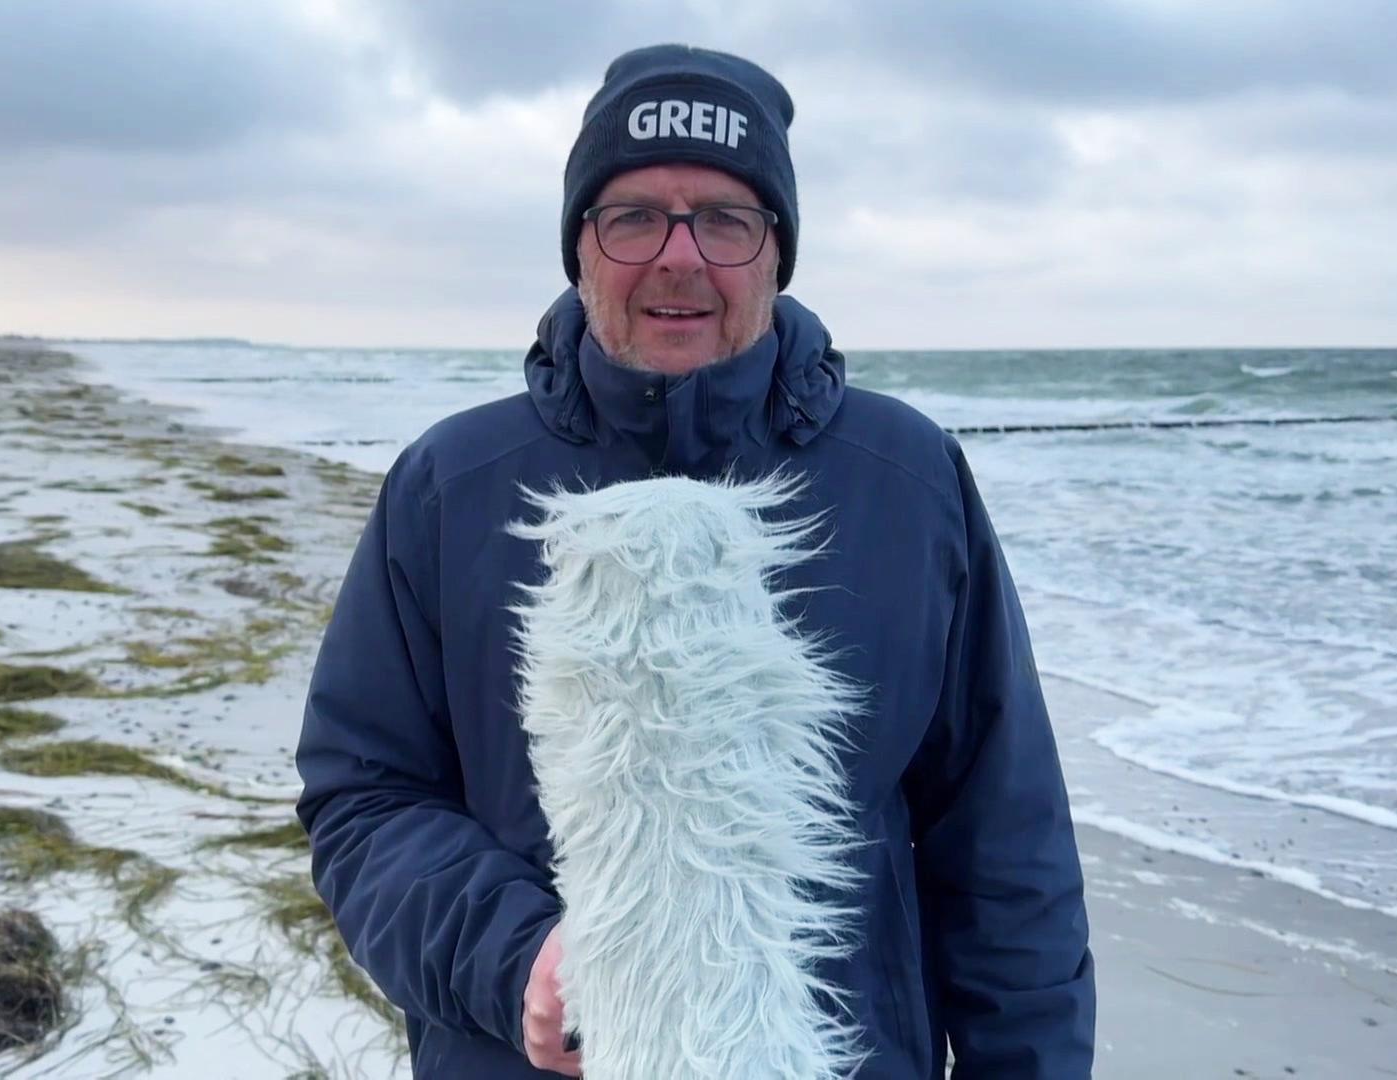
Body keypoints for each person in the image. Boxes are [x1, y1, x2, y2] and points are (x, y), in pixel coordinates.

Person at [296, 43, 1095, 1079]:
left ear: (776, 252)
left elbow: (1005, 849)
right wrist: (513, 961)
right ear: (580, 249)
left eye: (726, 219)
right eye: (634, 217)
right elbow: (364, 797)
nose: (680, 257)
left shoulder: (909, 479)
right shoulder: (453, 485)